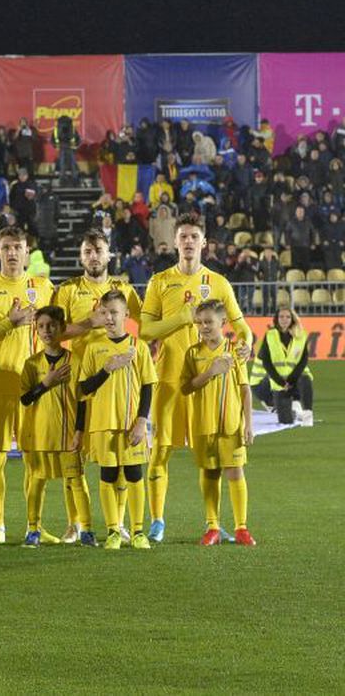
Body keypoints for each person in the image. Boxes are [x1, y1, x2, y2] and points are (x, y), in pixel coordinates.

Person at [139, 213, 250, 543]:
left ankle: (213, 525)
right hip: (171, 379)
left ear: (204, 243)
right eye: (183, 236)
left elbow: (241, 326)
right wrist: (182, 317)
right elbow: (146, 331)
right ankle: (157, 521)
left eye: (194, 237)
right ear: (175, 242)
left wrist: (245, 344)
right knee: (160, 451)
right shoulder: (159, 282)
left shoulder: (218, 282)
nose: (188, 242)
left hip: (209, 385)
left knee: (212, 455)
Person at [0, 225, 54, 544]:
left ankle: (34, 527)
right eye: (6, 247)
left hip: (34, 385)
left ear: (27, 251)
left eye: (18, 246)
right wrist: (8, 323)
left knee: (35, 459)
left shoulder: (43, 287)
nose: (13, 252)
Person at [51, 229, 142, 543]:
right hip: (76, 383)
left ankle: (117, 524)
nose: (93, 256)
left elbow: (146, 322)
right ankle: (76, 523)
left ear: (109, 255)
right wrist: (89, 322)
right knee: (72, 455)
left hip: (117, 384)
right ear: (81, 256)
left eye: (98, 250)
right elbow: (53, 333)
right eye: (87, 251)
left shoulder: (124, 289)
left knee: (120, 455)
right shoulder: (67, 291)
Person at [74, 290, 156, 550]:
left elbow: (148, 387)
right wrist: (107, 368)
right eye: (104, 312)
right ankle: (113, 532)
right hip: (102, 423)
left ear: (126, 315)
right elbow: (83, 388)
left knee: (134, 474)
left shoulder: (138, 346)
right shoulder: (93, 348)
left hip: (131, 423)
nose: (109, 317)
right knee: (108, 475)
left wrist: (142, 421)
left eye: (114, 312)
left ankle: (138, 531)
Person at [180, 300, 256, 547]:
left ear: (222, 323)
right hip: (203, 423)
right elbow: (185, 387)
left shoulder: (236, 350)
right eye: (200, 322)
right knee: (210, 472)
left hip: (231, 423)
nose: (203, 327)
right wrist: (210, 372)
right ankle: (212, 526)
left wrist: (248, 424)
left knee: (235, 471)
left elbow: (245, 390)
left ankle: (241, 527)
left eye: (209, 322)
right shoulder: (192, 353)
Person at [20, 306, 96, 548]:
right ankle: (33, 529)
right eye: (41, 326)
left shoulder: (76, 361)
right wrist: (46, 383)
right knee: (37, 481)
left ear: (62, 328)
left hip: (68, 436)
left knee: (77, 481)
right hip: (40, 434)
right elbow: (24, 399)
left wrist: (79, 432)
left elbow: (83, 400)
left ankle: (86, 530)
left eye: (51, 325)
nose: (46, 331)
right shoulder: (31, 364)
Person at [249, 307, 313, 425]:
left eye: (288, 317)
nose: (284, 320)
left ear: (292, 320)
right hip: (263, 383)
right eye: (281, 317)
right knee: (286, 416)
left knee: (303, 378)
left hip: (283, 382)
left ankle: (297, 409)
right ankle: (275, 403)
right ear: (277, 319)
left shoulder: (299, 338)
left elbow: (302, 364)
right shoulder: (270, 337)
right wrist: (283, 383)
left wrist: (291, 381)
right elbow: (267, 364)